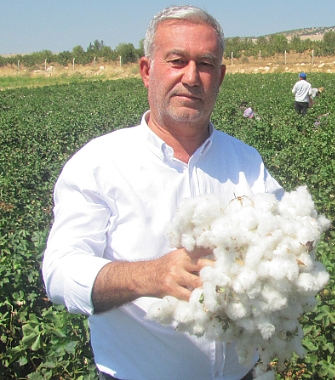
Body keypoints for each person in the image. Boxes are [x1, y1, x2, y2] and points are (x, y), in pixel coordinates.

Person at [41, 6, 283, 380]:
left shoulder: (246, 160)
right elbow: (60, 272)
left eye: (205, 63)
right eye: (176, 61)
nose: (191, 77)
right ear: (146, 70)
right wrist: (151, 275)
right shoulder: (100, 163)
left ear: (219, 77)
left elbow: (287, 239)